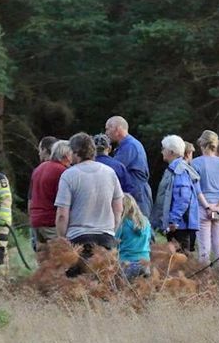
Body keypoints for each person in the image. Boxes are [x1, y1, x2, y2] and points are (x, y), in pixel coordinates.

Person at [55, 132, 123, 275]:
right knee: (103, 285)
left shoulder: (69, 175)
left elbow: (62, 214)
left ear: (76, 152)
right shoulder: (110, 173)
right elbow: (118, 208)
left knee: (77, 287)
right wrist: (112, 230)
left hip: (78, 238)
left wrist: (63, 239)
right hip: (105, 237)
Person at [193, 134, 219, 267]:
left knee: (204, 249)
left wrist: (207, 206)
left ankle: (205, 280)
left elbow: (196, 188)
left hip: (202, 208)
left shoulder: (195, 163)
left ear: (202, 145)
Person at [155, 135, 200, 252]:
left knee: (180, 262)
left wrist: (173, 220)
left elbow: (183, 198)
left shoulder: (179, 170)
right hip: (178, 225)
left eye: (163, 148)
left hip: (179, 226)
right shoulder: (176, 168)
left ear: (171, 151)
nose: (162, 151)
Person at [105, 116, 153, 220]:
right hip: (136, 192)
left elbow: (114, 168)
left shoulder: (129, 146)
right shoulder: (126, 145)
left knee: (139, 226)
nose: (106, 132)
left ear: (117, 129)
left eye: (108, 128)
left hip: (137, 193)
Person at [28, 140, 71, 251]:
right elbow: (63, 201)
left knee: (44, 263)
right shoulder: (62, 172)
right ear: (66, 155)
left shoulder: (39, 169)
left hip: (36, 221)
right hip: (51, 222)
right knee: (59, 261)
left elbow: (31, 197)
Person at [115, 193, 152, 280]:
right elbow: (149, 240)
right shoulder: (146, 222)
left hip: (127, 263)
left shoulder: (123, 224)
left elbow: (115, 243)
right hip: (145, 263)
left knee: (123, 290)